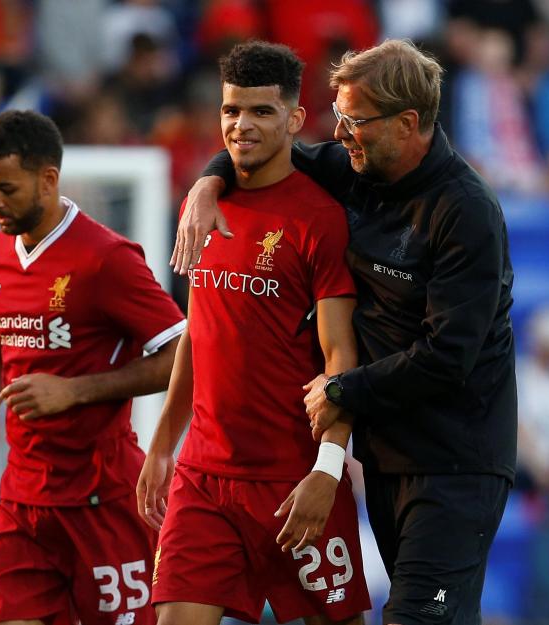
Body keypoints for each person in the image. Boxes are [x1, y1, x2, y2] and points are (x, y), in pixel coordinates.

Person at [172, 38, 516, 625]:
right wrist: (207, 184)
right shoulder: (353, 166)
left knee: (420, 617)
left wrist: (342, 390)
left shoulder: (466, 211)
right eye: (338, 118)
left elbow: (448, 355)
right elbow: (262, 145)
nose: (341, 134)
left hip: (455, 464)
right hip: (386, 455)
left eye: (355, 121)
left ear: (408, 124)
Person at [0, 109, 185, 625]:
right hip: (23, 501)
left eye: (7, 189)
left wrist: (74, 391)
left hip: (104, 497)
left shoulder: (107, 258)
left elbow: (182, 357)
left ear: (48, 179)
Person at [137, 41, 369, 625]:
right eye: (231, 110)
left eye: (261, 111)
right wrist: (164, 441)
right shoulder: (204, 205)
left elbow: (341, 349)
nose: (241, 125)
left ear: (294, 119)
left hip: (295, 478)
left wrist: (328, 468)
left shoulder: (319, 219)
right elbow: (201, 328)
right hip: (204, 478)